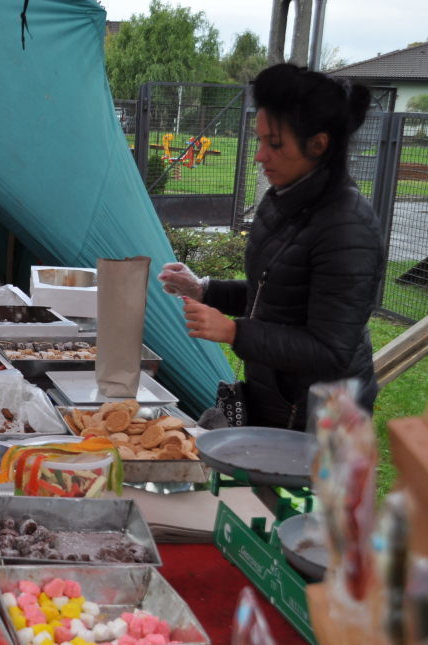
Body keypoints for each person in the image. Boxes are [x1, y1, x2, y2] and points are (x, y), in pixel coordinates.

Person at [158, 63, 382, 431]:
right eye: (260, 140)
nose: (260, 155)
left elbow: (331, 350)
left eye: (274, 144)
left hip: (331, 421)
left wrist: (234, 332)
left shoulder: (347, 227)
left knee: (312, 480)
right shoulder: (283, 201)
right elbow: (273, 294)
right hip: (280, 401)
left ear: (318, 144)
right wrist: (204, 290)